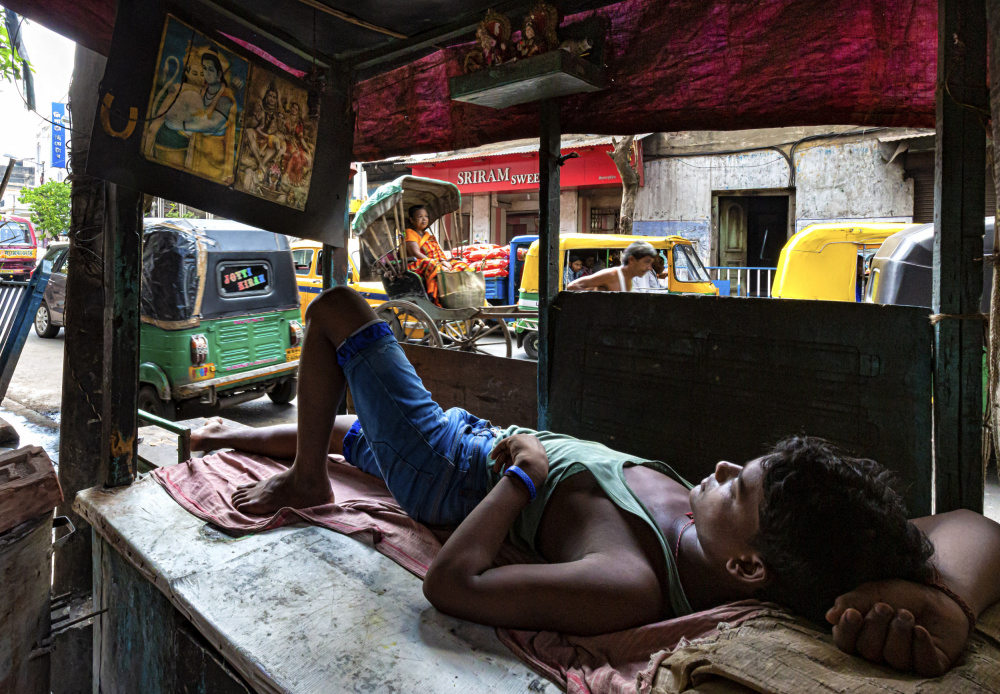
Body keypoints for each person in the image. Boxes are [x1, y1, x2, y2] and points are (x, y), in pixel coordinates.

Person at [194, 285, 1000, 676]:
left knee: (338, 312)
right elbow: (976, 525)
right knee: (358, 428)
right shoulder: (714, 533)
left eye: (739, 485)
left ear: (749, 567)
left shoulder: (627, 579)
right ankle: (268, 439)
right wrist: (946, 602)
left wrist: (519, 483)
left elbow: (451, 581)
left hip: (453, 471)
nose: (719, 468)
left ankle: (305, 477)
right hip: (478, 445)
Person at [404, 205, 473, 305]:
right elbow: (415, 253)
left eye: (426, 216)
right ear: (412, 219)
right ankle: (435, 297)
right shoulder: (409, 233)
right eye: (420, 217)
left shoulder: (429, 236)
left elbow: (438, 254)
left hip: (435, 263)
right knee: (433, 264)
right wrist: (438, 263)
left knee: (460, 264)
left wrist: (445, 262)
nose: (424, 219)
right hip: (417, 264)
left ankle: (460, 295)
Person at [566, 241, 658, 292]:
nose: (649, 267)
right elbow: (572, 286)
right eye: (647, 262)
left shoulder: (628, 280)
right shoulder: (611, 276)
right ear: (632, 260)